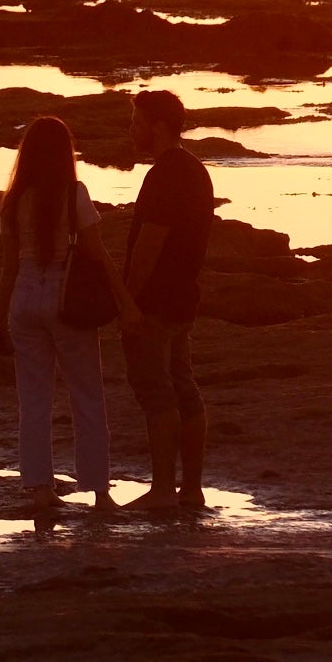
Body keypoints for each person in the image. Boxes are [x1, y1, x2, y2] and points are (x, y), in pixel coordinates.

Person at [0, 114, 132, 533]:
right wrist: (126, 304)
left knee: (33, 400)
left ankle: (39, 488)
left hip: (24, 298)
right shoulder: (74, 193)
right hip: (66, 299)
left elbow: (8, 267)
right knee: (86, 394)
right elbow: (98, 254)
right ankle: (99, 492)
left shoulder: (13, 200)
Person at [119, 89, 215, 519]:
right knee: (182, 386)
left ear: (158, 126)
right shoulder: (195, 170)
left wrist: (127, 302)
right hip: (182, 298)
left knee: (158, 393)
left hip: (156, 302)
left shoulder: (165, 175)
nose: (132, 129)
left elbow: (149, 244)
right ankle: (190, 488)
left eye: (137, 121)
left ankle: (162, 488)